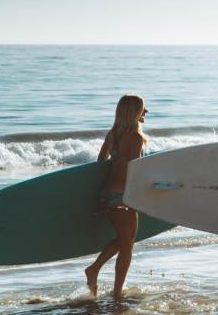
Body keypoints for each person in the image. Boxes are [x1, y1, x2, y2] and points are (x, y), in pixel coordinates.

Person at [85, 94, 148, 299]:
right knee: (127, 244)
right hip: (124, 196)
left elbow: (100, 162)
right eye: (142, 109)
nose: (145, 112)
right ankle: (114, 288)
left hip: (107, 194)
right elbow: (135, 170)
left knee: (125, 240)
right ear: (134, 113)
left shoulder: (112, 134)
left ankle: (96, 271)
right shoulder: (136, 137)